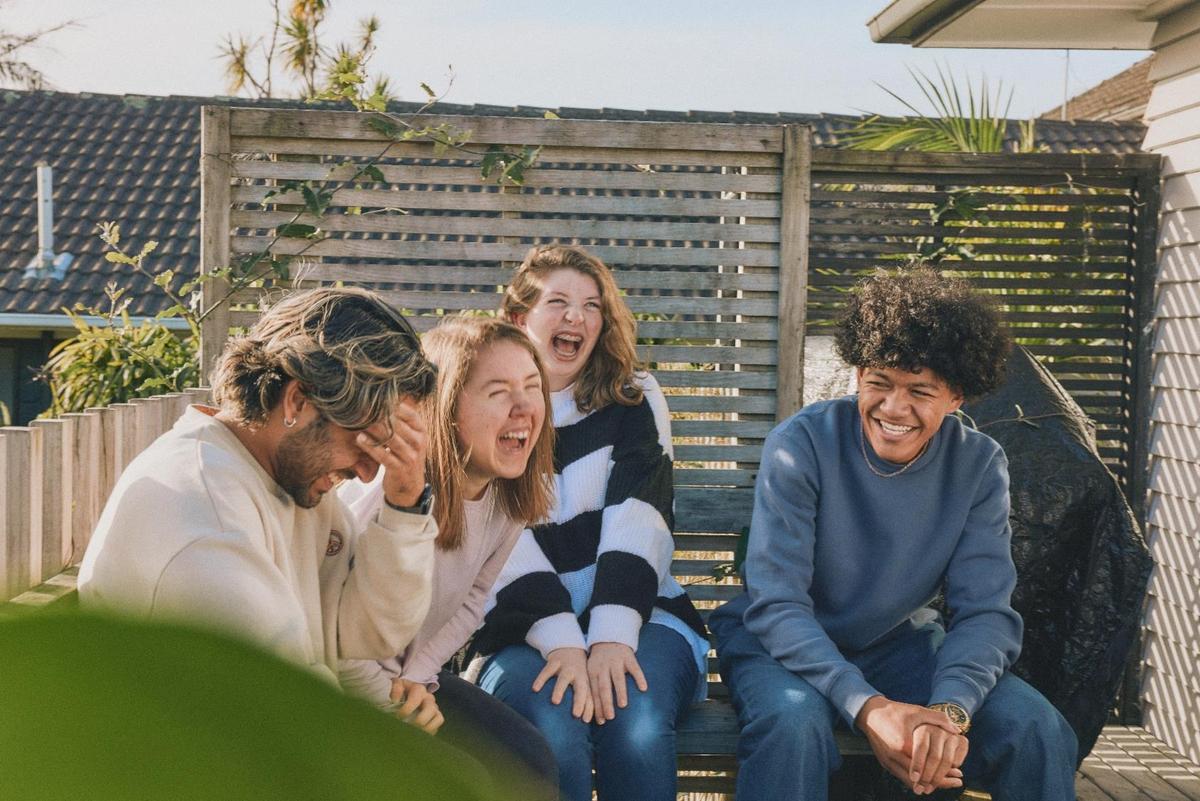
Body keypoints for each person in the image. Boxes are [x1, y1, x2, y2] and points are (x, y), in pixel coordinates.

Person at [708, 267, 1079, 801]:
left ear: (958, 397)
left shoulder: (977, 464)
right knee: (792, 725)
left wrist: (947, 713)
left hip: (898, 645)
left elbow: (985, 612)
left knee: (1036, 729)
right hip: (780, 643)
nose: (893, 408)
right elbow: (778, 602)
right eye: (879, 383)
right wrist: (869, 708)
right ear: (859, 374)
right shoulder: (801, 444)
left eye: (919, 391)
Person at [79, 287, 439, 690]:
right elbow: (285, 707)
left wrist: (406, 503)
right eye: (363, 440)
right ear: (298, 401)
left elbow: (360, 634)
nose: (370, 473)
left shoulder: (285, 478)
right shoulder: (206, 519)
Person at [472, 244, 710, 801]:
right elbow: (498, 540)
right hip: (520, 626)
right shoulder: (476, 405)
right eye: (557, 302)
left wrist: (609, 638)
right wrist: (561, 642)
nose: (576, 318)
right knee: (552, 728)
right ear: (517, 319)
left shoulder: (635, 397)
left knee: (636, 716)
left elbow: (641, 520)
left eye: (591, 306)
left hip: (642, 617)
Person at [338, 316, 560, 796]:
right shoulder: (396, 492)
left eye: (532, 387)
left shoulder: (508, 497)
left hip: (407, 679)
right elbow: (331, 634)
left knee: (528, 760)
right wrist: (391, 702)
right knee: (465, 779)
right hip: (340, 688)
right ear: (447, 410)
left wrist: (416, 679)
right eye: (498, 392)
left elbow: (472, 601)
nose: (524, 407)